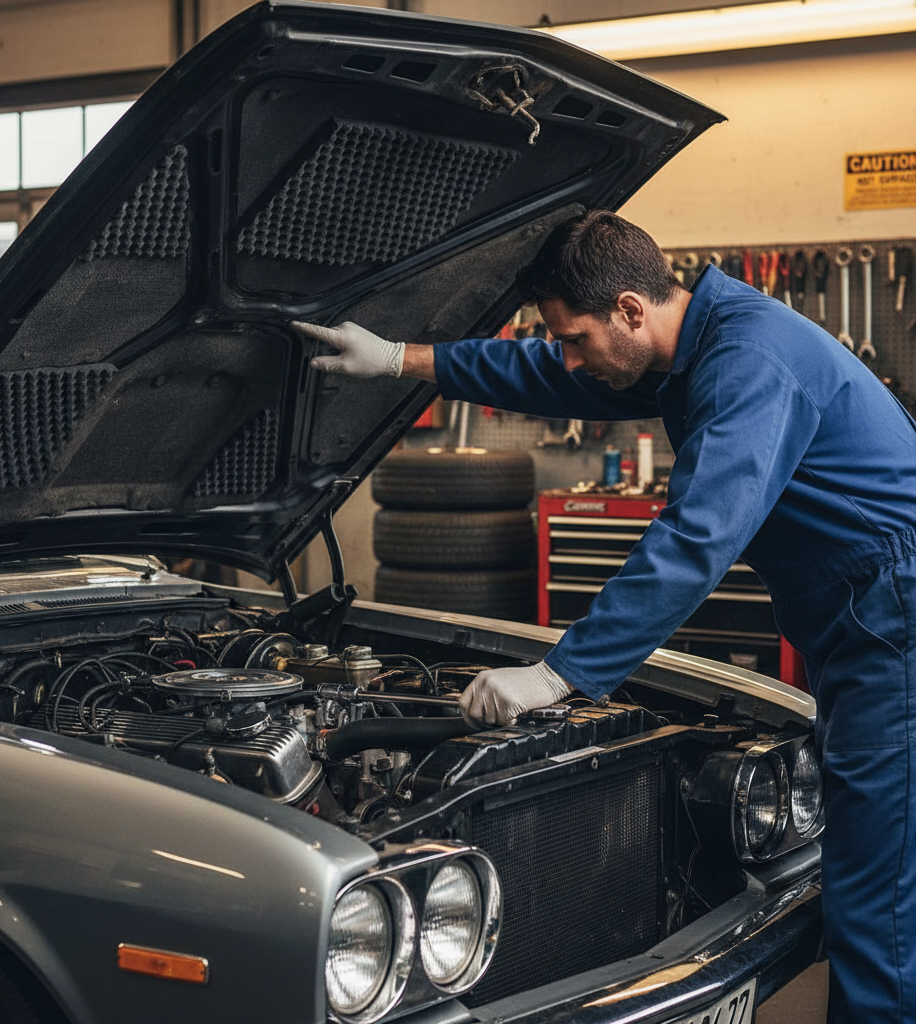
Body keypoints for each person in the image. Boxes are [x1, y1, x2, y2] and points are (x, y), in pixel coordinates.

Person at [293, 209, 916, 1024]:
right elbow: (547, 375)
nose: (571, 355)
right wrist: (400, 359)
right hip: (859, 617)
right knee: (874, 854)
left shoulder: (748, 361)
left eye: (576, 335)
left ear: (629, 308)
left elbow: (698, 536)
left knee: (878, 891)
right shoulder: (689, 339)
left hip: (892, 617)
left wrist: (561, 673)